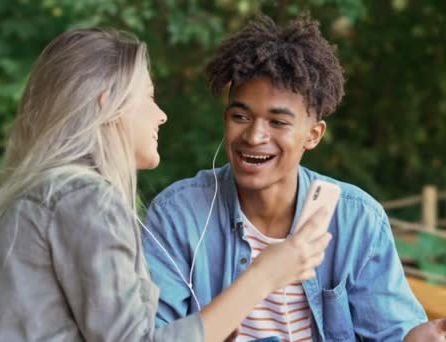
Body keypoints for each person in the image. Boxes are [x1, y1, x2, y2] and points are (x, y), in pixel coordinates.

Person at [0, 28, 333, 341]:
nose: (161, 115)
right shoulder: (85, 200)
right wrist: (264, 276)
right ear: (106, 105)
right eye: (148, 97)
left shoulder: (42, 193)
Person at [142, 14, 428, 342]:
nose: (253, 136)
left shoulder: (357, 219)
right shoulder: (177, 215)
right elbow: (155, 335)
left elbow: (394, 332)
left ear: (313, 134)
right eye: (240, 116)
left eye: (278, 122)